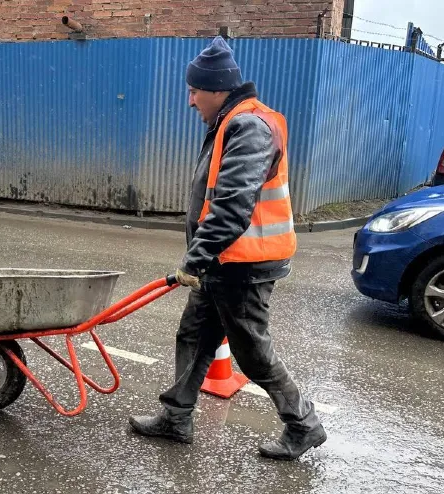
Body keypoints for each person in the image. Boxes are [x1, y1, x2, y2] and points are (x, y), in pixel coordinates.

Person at [128, 37, 326, 460]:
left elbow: (233, 206)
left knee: (251, 351)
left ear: (216, 89)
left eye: (194, 91)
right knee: (195, 335)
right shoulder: (232, 121)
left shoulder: (248, 126)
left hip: (244, 264)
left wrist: (194, 259)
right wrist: (203, 260)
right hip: (223, 262)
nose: (190, 101)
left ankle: (304, 424)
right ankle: (177, 416)